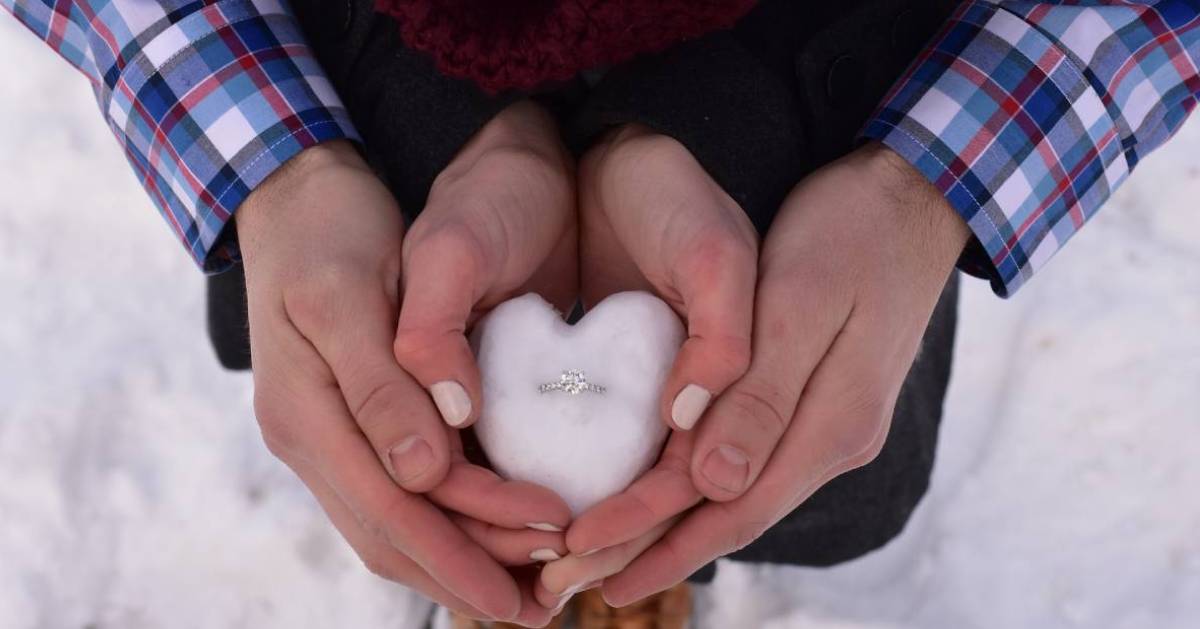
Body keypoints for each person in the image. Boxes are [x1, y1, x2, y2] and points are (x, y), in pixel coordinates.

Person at [6, 0, 1198, 627]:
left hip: (818, 76)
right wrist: (290, 166)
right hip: (374, 56)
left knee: (795, 448)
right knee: (399, 377)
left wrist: (923, 181)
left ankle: (627, 559)